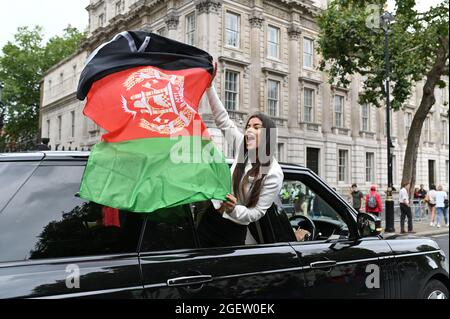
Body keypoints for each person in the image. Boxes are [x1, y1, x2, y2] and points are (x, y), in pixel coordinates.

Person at [197, 68, 285, 247]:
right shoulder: (241, 147)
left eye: (257, 127)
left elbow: (257, 213)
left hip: (232, 233)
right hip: (210, 219)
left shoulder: (274, 172)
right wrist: (209, 87)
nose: (250, 130)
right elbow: (223, 120)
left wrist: (234, 209)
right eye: (248, 126)